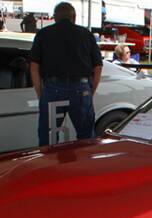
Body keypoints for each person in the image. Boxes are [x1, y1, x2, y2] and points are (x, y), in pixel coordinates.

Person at [30, 2, 103, 146]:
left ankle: (49, 165)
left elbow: (33, 66)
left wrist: (40, 94)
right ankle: (83, 166)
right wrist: (90, 91)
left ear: (55, 17)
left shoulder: (43, 34)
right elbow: (98, 66)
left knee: (48, 136)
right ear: (74, 17)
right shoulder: (85, 34)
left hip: (53, 88)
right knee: (86, 136)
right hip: (80, 88)